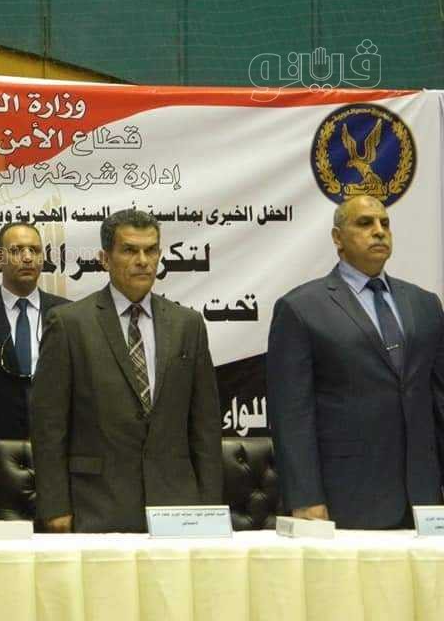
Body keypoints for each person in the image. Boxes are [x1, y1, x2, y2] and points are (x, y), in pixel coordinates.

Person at [31, 208, 222, 532]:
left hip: (177, 504)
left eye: (151, 250)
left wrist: (210, 506)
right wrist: (55, 506)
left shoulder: (188, 325)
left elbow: (205, 425)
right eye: (130, 250)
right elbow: (49, 426)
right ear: (105, 259)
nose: (142, 260)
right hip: (95, 504)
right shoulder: (69, 324)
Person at [266, 195, 444, 528]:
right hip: (346, 497)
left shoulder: (425, 305)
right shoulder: (302, 308)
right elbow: (291, 414)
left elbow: (439, 401)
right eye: (365, 223)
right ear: (337, 238)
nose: (379, 231)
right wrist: (305, 497)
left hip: (423, 498)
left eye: (385, 223)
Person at [0, 222, 69, 440]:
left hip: (56, 440)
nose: (28, 257)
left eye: (35, 250)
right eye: (16, 250)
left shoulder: (68, 313)